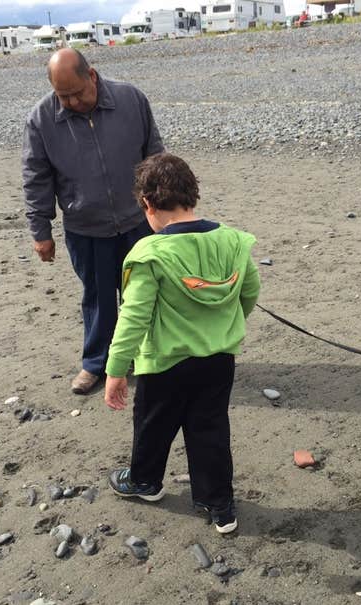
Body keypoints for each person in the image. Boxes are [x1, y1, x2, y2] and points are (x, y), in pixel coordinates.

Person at [103, 153, 260, 534]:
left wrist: (115, 369)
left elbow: (134, 317)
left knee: (153, 425)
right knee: (210, 430)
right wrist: (224, 324)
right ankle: (219, 505)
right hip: (218, 359)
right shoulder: (231, 241)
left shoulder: (150, 253)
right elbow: (250, 290)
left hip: (165, 363)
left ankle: (145, 481)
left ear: (147, 204)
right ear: (193, 195)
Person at [22, 48, 164, 394]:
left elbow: (156, 154)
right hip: (86, 227)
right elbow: (36, 177)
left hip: (139, 222)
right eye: (62, 95)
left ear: (93, 76)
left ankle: (151, 357)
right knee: (98, 299)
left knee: (144, 294)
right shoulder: (41, 119)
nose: (70, 102)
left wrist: (164, 208)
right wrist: (41, 231)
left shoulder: (131, 100)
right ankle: (96, 363)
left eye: (77, 93)